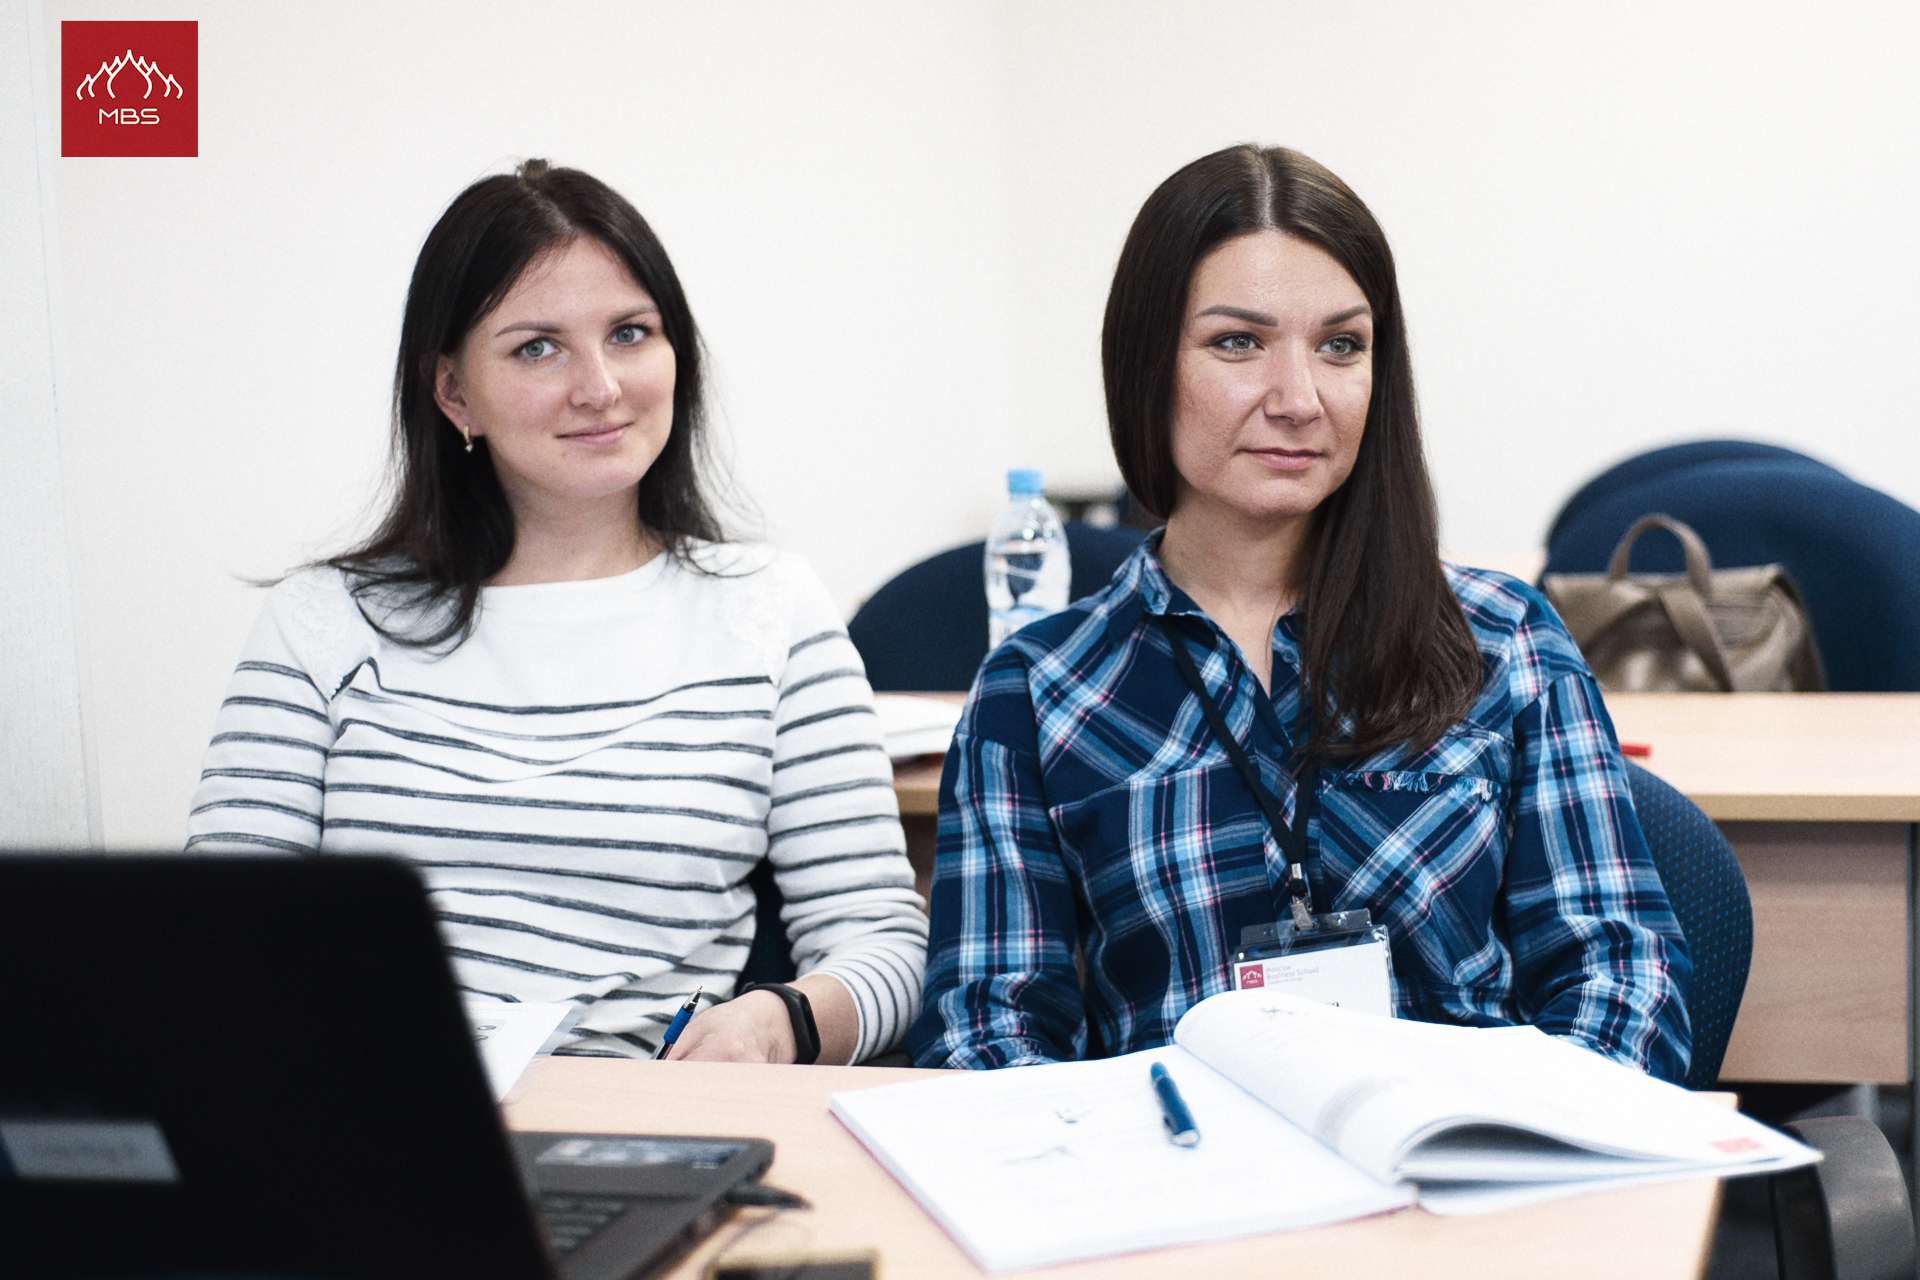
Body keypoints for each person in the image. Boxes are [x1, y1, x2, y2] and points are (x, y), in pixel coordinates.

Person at [907, 145, 1691, 1081]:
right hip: (1177, 1161)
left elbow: (1623, 974)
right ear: (1146, 366)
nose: (1299, 399)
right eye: (1238, 343)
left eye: (1340, 346)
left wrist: (1535, 1138)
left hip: (1464, 1156)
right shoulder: (1040, 692)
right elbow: (986, 1031)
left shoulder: (1501, 640)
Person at [188, 160, 925, 1065]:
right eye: (538, 347)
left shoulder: (770, 611)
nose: (600, 387)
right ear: (454, 392)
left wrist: (780, 1021)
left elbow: (883, 943)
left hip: (641, 1112)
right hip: (375, 1105)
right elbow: (216, 944)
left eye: (630, 333)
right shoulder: (322, 621)